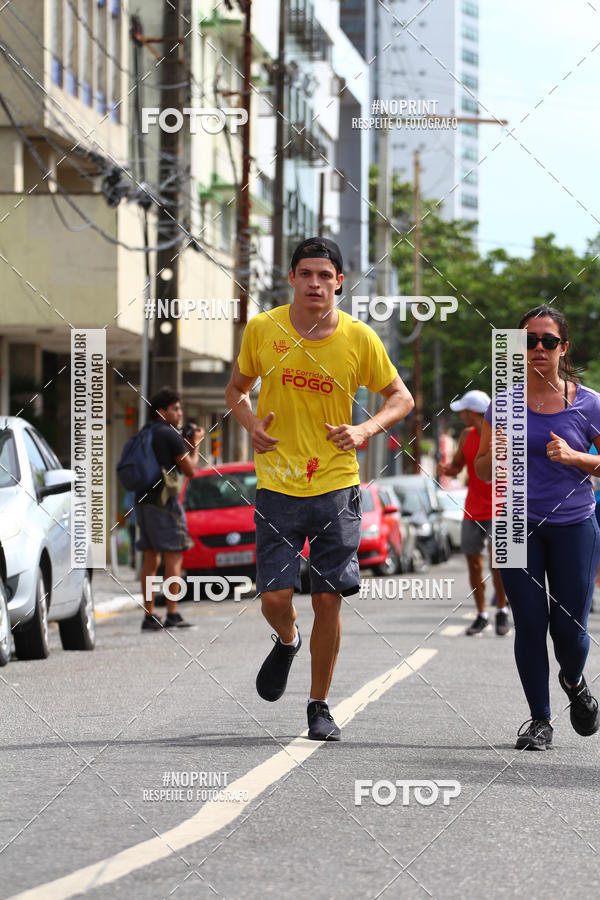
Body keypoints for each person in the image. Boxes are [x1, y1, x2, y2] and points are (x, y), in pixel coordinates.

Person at [225, 237, 414, 740]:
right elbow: (235, 390)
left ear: (339, 282)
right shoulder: (264, 329)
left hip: (336, 485)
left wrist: (363, 430)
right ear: (291, 278)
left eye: (324, 275)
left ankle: (319, 706)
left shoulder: (358, 338)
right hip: (277, 485)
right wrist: (249, 423)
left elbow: (401, 398)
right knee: (274, 596)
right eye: (305, 273)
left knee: (328, 598)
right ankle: (286, 639)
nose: (314, 283)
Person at [475, 305, 600, 750]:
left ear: (563, 348)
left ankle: (575, 681)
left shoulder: (589, 403)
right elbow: (483, 469)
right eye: (528, 341)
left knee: (569, 631)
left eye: (548, 341)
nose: (538, 349)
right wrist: (499, 451)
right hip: (513, 523)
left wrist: (576, 458)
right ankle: (539, 720)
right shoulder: (502, 403)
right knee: (530, 623)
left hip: (573, 526)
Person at [438, 390, 510, 636]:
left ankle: (502, 610)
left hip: (500, 509)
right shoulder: (467, 435)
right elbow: (457, 466)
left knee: (498, 563)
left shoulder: (503, 435)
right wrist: (447, 469)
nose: (461, 415)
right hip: (472, 510)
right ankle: (482, 614)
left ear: (472, 412)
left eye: (463, 411)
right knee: (474, 563)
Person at [136, 387, 204, 631]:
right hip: (165, 503)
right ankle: (173, 614)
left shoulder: (146, 432)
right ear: (161, 411)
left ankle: (149, 615)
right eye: (175, 408)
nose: (180, 412)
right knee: (174, 556)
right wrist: (195, 445)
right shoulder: (169, 434)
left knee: (150, 558)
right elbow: (191, 470)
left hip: (143, 502)